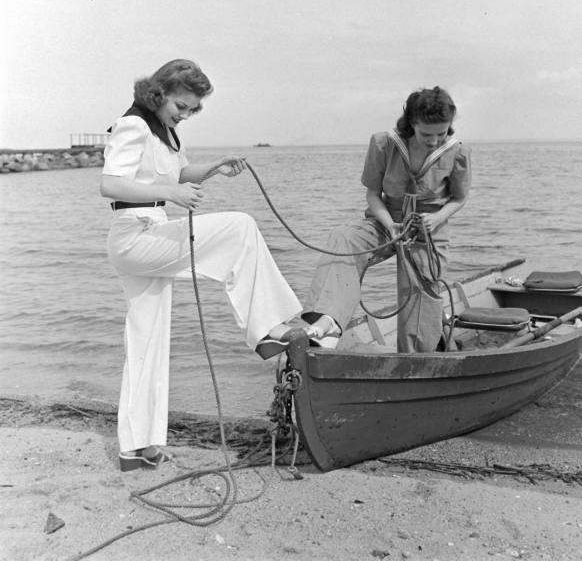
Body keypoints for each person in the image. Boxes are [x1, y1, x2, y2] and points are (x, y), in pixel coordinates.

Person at [100, 59, 306, 472]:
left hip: (152, 232)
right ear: (159, 93)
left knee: (147, 342)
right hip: (135, 233)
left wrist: (212, 169)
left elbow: (180, 172)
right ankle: (266, 329)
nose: (186, 114)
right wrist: (171, 192)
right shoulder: (134, 124)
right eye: (182, 105)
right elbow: (110, 183)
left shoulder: (164, 130)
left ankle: (138, 448)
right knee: (239, 227)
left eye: (192, 109)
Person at [303, 86, 471, 353]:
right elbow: (373, 194)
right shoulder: (384, 144)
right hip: (386, 220)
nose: (435, 140)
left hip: (428, 228)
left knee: (420, 290)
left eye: (442, 132)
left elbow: (459, 199)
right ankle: (328, 323)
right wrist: (388, 224)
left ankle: (418, 357)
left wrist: (437, 219)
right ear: (411, 124)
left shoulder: (457, 152)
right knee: (343, 238)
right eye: (427, 134)